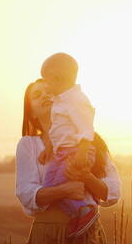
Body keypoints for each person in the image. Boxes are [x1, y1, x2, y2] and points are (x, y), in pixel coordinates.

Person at [16, 79, 121, 243]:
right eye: (37, 95)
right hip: (47, 233)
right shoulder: (28, 144)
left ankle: (84, 213)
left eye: (49, 91)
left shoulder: (91, 141)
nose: (45, 96)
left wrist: (86, 177)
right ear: (32, 113)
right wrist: (66, 190)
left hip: (87, 233)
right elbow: (26, 195)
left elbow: (112, 192)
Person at [40, 53, 99, 237]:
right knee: (49, 187)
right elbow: (60, 132)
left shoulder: (76, 100)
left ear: (57, 79)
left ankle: (85, 210)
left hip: (76, 151)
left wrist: (82, 151)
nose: (46, 86)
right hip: (62, 152)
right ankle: (78, 212)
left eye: (47, 81)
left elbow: (85, 126)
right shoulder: (60, 101)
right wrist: (50, 148)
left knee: (58, 185)